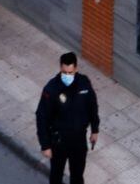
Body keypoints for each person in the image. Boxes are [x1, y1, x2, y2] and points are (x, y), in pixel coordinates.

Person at [35, 52, 100, 184]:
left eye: (70, 72)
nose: (67, 76)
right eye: (64, 72)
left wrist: (95, 129)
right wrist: (45, 145)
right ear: (60, 68)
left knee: (77, 176)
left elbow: (92, 106)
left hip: (79, 140)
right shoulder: (51, 88)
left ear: (76, 69)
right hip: (59, 141)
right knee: (56, 175)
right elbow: (41, 117)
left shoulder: (84, 83)